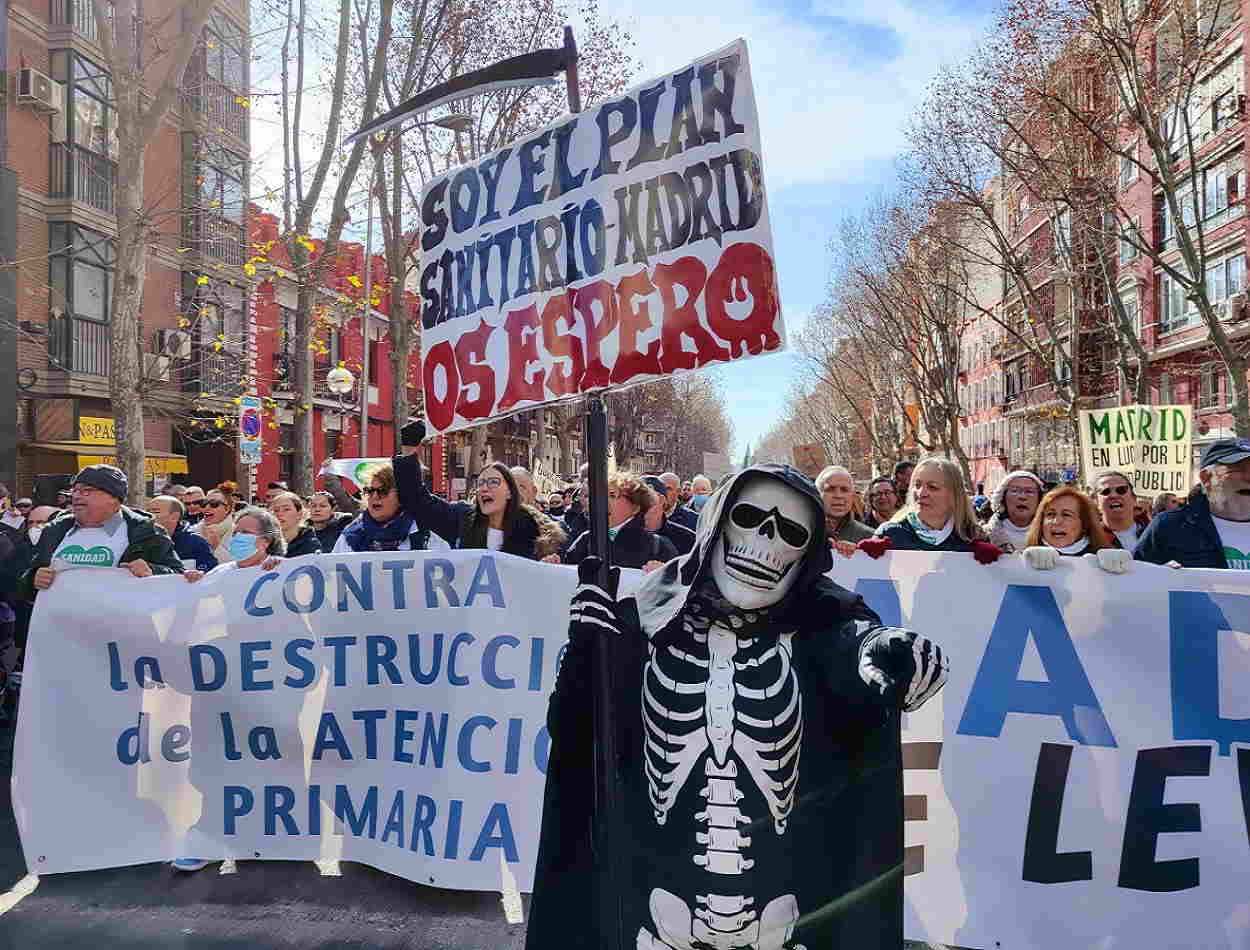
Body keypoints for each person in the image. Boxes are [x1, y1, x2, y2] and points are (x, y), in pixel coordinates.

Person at [527, 463, 948, 950]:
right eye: (750, 518)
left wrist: (886, 650)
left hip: (783, 911)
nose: (766, 540)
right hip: (653, 907)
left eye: (789, 532)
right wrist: (584, 657)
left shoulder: (822, 626)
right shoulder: (647, 616)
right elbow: (576, 739)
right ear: (718, 524)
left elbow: (851, 646)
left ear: (806, 555)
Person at [19, 464, 183, 601]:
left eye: (86, 491)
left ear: (114, 498)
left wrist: (152, 571)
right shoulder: (55, 530)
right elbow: (24, 581)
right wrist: (33, 579)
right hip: (61, 633)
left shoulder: (147, 531)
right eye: (74, 491)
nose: (76, 496)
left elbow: (178, 577)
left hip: (120, 633)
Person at [1136, 438, 1250, 568]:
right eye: (1238, 469)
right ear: (1206, 478)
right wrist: (1158, 575)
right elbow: (1133, 579)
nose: (1249, 477)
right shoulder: (1168, 527)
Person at [861, 456, 999, 560]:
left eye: (932, 487)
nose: (921, 493)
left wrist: (999, 564)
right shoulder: (890, 533)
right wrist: (853, 553)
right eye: (917, 485)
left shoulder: (973, 536)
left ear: (953, 494)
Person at [564, 471, 678, 570]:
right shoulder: (586, 540)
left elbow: (677, 588)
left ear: (635, 507)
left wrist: (662, 575)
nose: (603, 502)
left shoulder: (659, 547)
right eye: (602, 496)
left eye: (612, 496)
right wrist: (554, 565)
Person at [1018, 485, 1130, 574]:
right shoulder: (1022, 558)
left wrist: (1123, 570)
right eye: (1050, 514)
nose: (1057, 521)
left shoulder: (1105, 558)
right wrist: (1023, 563)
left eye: (1066, 515)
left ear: (1084, 524)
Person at [333, 462, 431, 553]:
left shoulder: (425, 532)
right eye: (370, 490)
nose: (375, 496)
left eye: (383, 491)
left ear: (401, 496)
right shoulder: (350, 536)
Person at [147, 495, 216, 573]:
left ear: (174, 516)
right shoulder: (139, 541)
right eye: (147, 512)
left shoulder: (196, 543)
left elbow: (211, 573)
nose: (148, 516)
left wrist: (199, 573)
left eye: (155, 512)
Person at [815, 465, 873, 556]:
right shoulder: (804, 534)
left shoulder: (869, 537)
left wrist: (859, 552)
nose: (838, 495)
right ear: (817, 494)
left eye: (844, 490)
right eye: (830, 489)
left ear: (852, 496)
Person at [985, 470, 1044, 553]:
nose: (1022, 497)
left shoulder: (1053, 536)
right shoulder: (983, 536)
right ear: (1003, 497)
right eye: (1015, 491)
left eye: (1029, 491)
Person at [642, 475, 695, 555]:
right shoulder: (622, 533)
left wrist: (667, 567)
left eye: (649, 498)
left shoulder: (687, 537)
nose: (643, 503)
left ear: (661, 500)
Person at [1092, 470, 1140, 550]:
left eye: (1121, 490)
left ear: (1134, 498)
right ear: (1096, 502)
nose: (1114, 495)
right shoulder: (1090, 540)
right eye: (1106, 491)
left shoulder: (1155, 532)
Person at [268, 491, 322, 557]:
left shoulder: (310, 545)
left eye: (286, 509)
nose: (279, 514)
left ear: (299, 514)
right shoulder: (264, 543)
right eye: (276, 510)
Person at [191, 487, 235, 563]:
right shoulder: (193, 531)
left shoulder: (239, 532)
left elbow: (238, 565)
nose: (207, 508)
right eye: (204, 504)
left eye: (214, 504)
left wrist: (216, 547)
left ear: (227, 509)